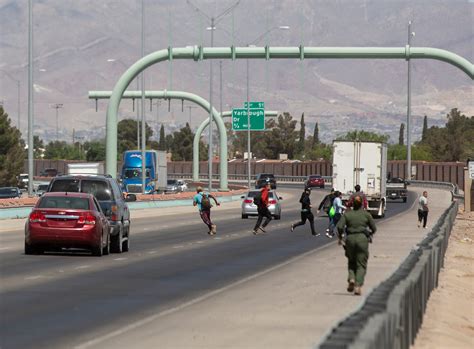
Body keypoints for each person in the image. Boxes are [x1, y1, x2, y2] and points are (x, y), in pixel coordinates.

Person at [336, 195, 377, 296]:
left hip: (350, 239)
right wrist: (370, 234)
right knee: (361, 264)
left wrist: (341, 238)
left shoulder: (347, 215)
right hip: (362, 240)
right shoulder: (366, 215)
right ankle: (358, 285)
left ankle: (352, 278)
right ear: (362, 204)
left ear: (352, 204)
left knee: (351, 261)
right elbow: (374, 228)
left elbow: (340, 227)